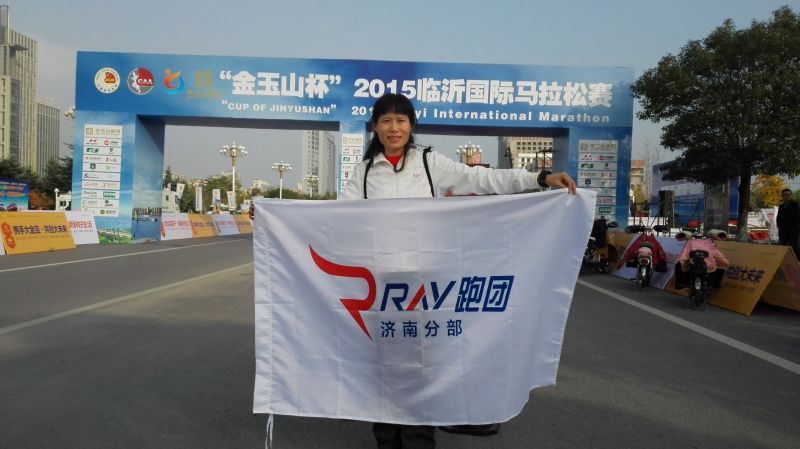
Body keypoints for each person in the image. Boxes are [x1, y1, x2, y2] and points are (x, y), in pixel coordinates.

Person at [340, 93, 576, 449]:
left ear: (411, 125)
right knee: (385, 371)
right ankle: (386, 440)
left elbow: (483, 180)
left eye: (401, 120)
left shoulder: (429, 163)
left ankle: (419, 441)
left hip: (425, 288)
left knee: (422, 369)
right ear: (375, 127)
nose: (394, 128)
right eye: (386, 121)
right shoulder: (364, 173)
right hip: (382, 289)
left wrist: (540, 177)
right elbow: (338, 220)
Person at [777, 188, 800, 257]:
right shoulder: (781, 206)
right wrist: (779, 226)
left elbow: (798, 217)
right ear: (782, 196)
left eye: (788, 195)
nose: (786, 196)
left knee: (794, 247)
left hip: (793, 230)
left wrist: (796, 228)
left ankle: (796, 261)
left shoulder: (795, 205)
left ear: (791, 195)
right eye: (784, 195)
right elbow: (778, 217)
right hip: (783, 230)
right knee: (783, 246)